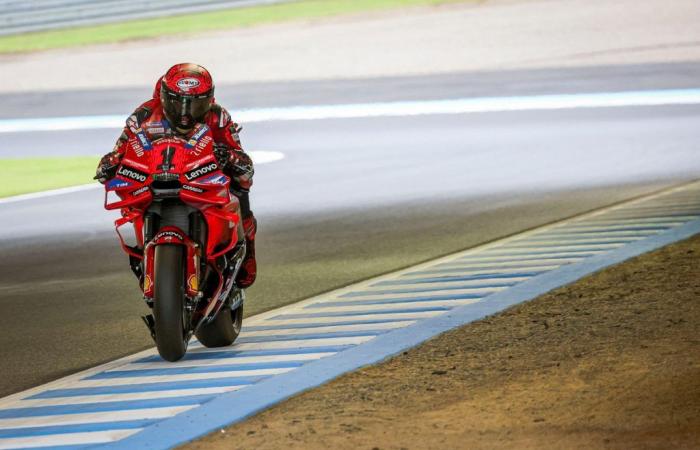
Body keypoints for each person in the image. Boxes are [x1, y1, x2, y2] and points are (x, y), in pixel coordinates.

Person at [95, 63, 257, 288]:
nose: (185, 113)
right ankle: (145, 257)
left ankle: (247, 249)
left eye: (195, 103)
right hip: (156, 177)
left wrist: (230, 158)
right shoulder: (143, 115)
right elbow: (121, 150)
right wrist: (110, 163)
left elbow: (245, 163)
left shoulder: (218, 117)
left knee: (242, 184)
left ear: (208, 100)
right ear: (163, 96)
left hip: (201, 178)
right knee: (126, 199)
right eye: (176, 101)